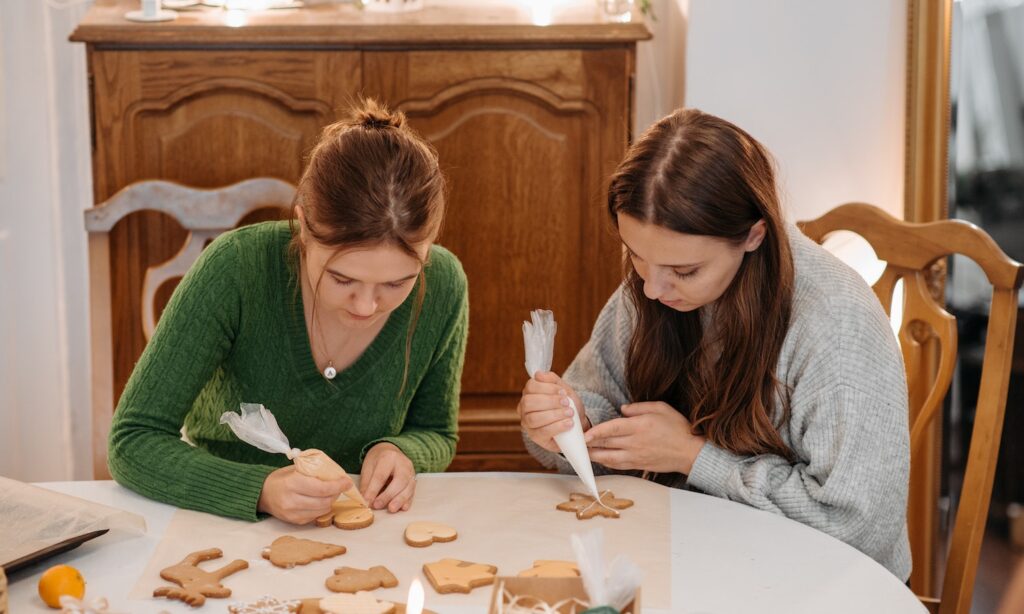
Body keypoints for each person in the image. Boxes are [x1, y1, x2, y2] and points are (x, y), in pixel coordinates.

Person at [518, 108, 911, 580]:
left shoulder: (834, 322)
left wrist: (694, 456)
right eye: (636, 257)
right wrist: (571, 425)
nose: (651, 290)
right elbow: (601, 404)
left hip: (826, 587)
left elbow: (856, 528)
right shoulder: (652, 287)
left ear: (753, 235)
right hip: (699, 562)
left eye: (685, 272)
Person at [108, 99, 468, 525]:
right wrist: (260, 490)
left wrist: (401, 451)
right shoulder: (236, 268)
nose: (368, 306)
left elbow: (437, 433)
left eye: (397, 283)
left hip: (369, 537)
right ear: (303, 227)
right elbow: (133, 441)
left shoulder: (443, 283)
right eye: (342, 279)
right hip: (220, 527)